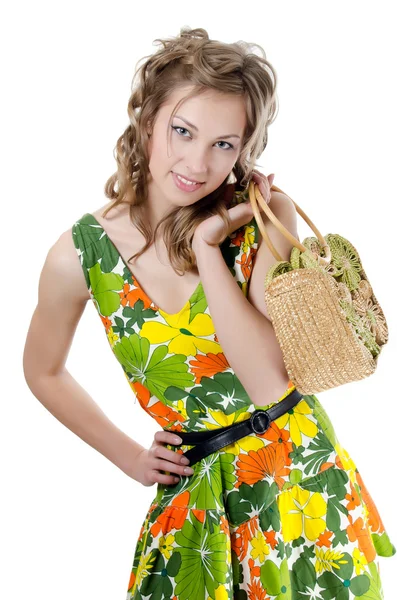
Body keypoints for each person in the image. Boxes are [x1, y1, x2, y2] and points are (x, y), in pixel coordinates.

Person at [23, 26, 395, 599]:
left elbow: (269, 383)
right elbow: (42, 371)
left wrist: (207, 249)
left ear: (244, 150)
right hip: (195, 505)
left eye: (223, 143)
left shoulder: (265, 220)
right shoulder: (78, 256)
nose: (197, 163)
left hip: (299, 484)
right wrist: (128, 457)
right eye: (182, 131)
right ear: (148, 120)